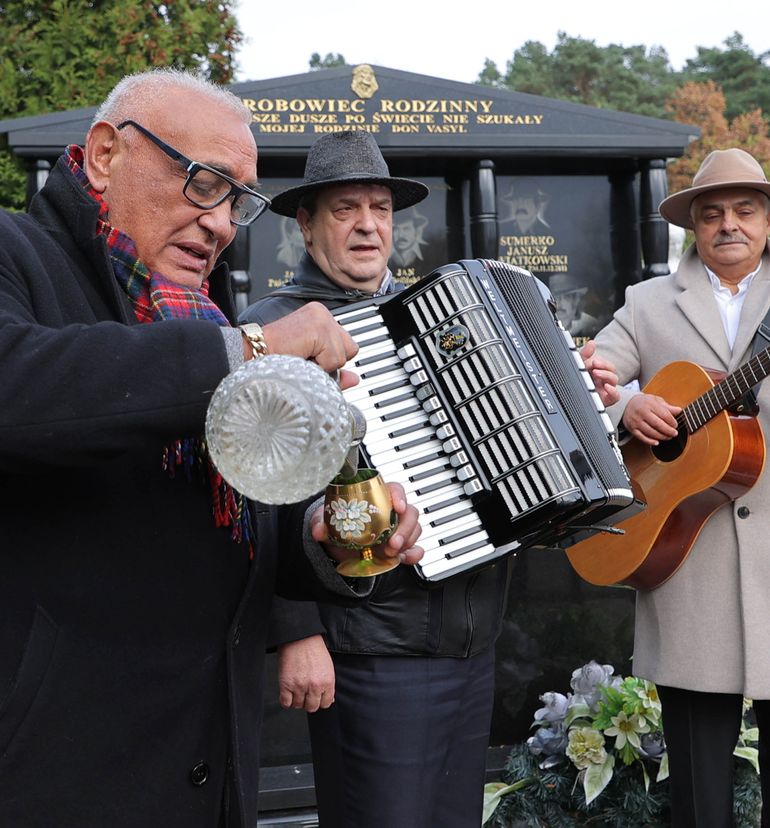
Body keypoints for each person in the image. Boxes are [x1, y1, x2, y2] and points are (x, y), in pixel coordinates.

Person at [0, 69, 426, 828]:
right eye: (205, 183)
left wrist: (322, 543)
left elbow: (224, 532)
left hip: (204, 778)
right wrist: (249, 351)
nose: (222, 223)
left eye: (239, 201)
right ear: (106, 153)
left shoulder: (203, 316)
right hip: (43, 785)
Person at [240, 129, 620, 827]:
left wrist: (580, 406)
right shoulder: (272, 329)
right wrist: (295, 631)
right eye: (346, 208)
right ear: (306, 224)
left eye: (380, 208)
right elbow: (256, 501)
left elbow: (501, 444)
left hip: (471, 641)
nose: (367, 225)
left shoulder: (434, 313)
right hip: (368, 649)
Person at [592, 147, 770, 827]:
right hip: (686, 563)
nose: (729, 224)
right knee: (698, 795)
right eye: (713, 212)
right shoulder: (646, 304)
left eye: (745, 210)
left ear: (766, 221)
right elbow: (584, 379)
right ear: (695, 225)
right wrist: (626, 406)